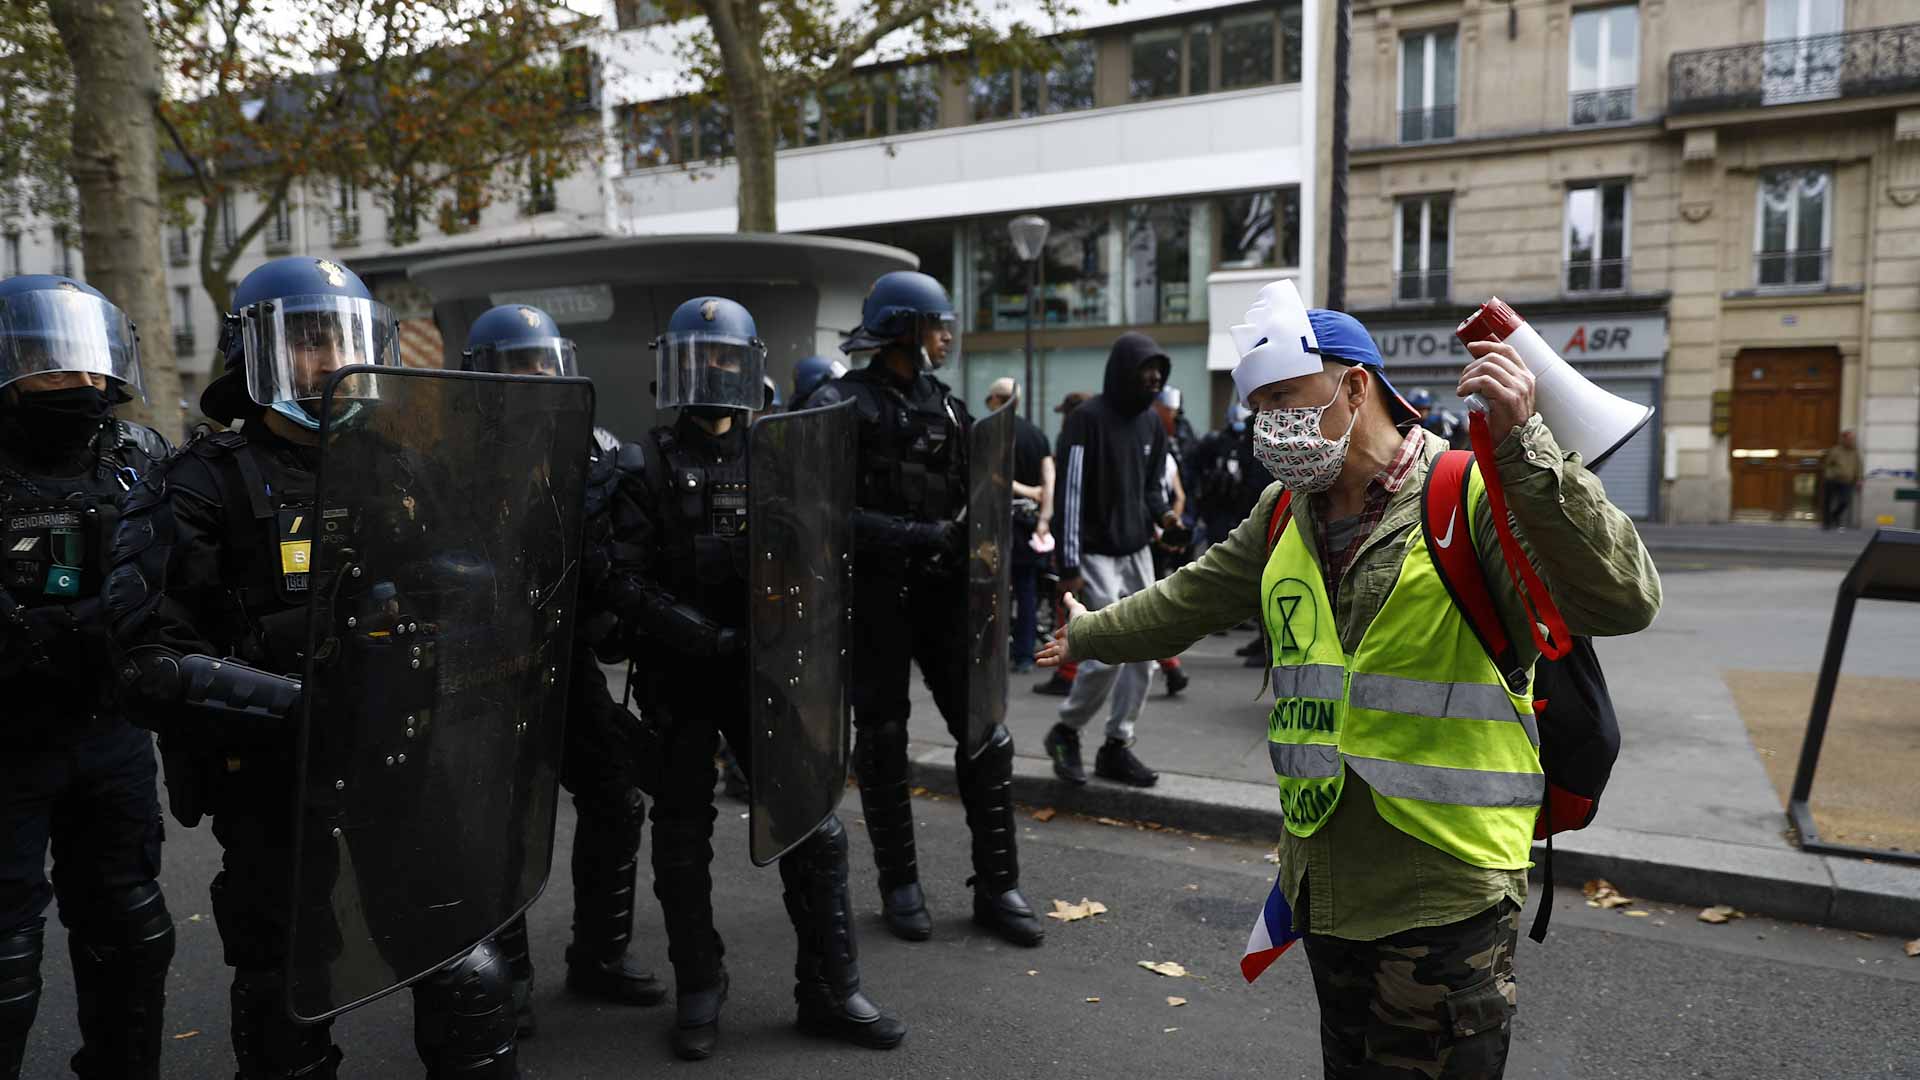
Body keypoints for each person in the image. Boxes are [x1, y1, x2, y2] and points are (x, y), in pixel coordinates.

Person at [1036, 279, 1661, 1080]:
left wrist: (1526, 454)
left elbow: (1626, 598)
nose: (1269, 426)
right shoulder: (1282, 511)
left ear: (1355, 386)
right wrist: (1086, 632)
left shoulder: (1472, 494)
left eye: (1286, 399)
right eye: (1259, 408)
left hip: (1447, 894)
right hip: (1325, 882)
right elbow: (1187, 599)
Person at [105, 256, 524, 1078]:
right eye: (305, 340)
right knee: (287, 983)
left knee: (461, 962)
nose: (330, 358)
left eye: (344, 337)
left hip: (400, 757)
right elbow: (147, 660)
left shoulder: (397, 465)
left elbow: (468, 581)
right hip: (273, 777)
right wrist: (304, 704)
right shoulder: (195, 485)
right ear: (252, 353)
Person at [609, 295, 907, 1059]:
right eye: (698, 357)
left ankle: (831, 988)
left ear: (749, 370)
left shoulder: (779, 453)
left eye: (726, 358)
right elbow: (623, 581)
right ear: (672, 368)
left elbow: (815, 552)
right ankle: (699, 987)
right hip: (682, 676)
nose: (713, 371)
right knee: (681, 838)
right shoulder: (640, 464)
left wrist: (791, 617)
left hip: (765, 672)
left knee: (815, 826)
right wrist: (702, 635)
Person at [810, 271, 1043, 948]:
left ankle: (998, 885)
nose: (947, 335)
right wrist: (916, 535)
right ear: (905, 329)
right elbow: (819, 513)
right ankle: (900, 884)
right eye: (937, 324)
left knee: (985, 735)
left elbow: (980, 486)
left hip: (946, 598)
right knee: (882, 741)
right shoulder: (840, 404)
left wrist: (1004, 517)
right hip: (876, 600)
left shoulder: (946, 407)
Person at [460, 305, 666, 1039]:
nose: (540, 377)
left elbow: (622, 549)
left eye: (547, 362)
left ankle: (600, 955)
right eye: (522, 366)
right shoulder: (453, 459)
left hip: (569, 656)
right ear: (487, 378)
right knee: (501, 824)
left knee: (615, 798)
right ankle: (506, 978)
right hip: (487, 667)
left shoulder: (595, 453)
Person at [0, 275, 174, 1079]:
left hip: (112, 732)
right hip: (6, 743)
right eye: (53, 362)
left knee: (132, 927)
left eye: (92, 362)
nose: (84, 382)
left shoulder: (139, 458)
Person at [1038, 332, 1178, 789]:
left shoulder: (1151, 425)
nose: (1155, 377)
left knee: (1145, 656)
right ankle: (1066, 731)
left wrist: (1165, 519)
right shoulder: (1086, 420)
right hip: (1095, 555)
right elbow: (1070, 493)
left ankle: (1117, 745)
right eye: (1146, 368)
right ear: (1124, 371)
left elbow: (1153, 487)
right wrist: (1071, 566)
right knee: (1104, 655)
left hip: (1136, 550)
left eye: (1159, 369)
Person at [984, 377, 1053, 675]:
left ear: (998, 400)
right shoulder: (1037, 435)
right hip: (1029, 524)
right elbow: (1049, 481)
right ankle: (1024, 654)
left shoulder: (992, 433)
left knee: (993, 590)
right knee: (1026, 591)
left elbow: (990, 475)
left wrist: (1023, 490)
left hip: (997, 522)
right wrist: (1044, 520)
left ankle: (992, 653)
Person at [1031, 391, 1090, 697]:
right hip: (1103, 538)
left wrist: (1067, 555)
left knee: (1068, 603)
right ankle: (1171, 666)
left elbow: (1068, 495)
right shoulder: (1102, 434)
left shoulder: (1074, 440)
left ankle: (1067, 674)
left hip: (1078, 540)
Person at [1823, 430, 1861, 530]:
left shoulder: (1854, 452)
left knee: (1844, 501)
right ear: (1843, 439)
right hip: (1833, 479)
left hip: (1847, 481)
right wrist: (1830, 475)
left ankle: (1834, 515)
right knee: (1828, 501)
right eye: (1849, 439)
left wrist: (1858, 479)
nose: (1851, 441)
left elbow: (1858, 466)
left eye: (1852, 439)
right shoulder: (1835, 450)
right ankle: (1826, 523)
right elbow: (1827, 464)